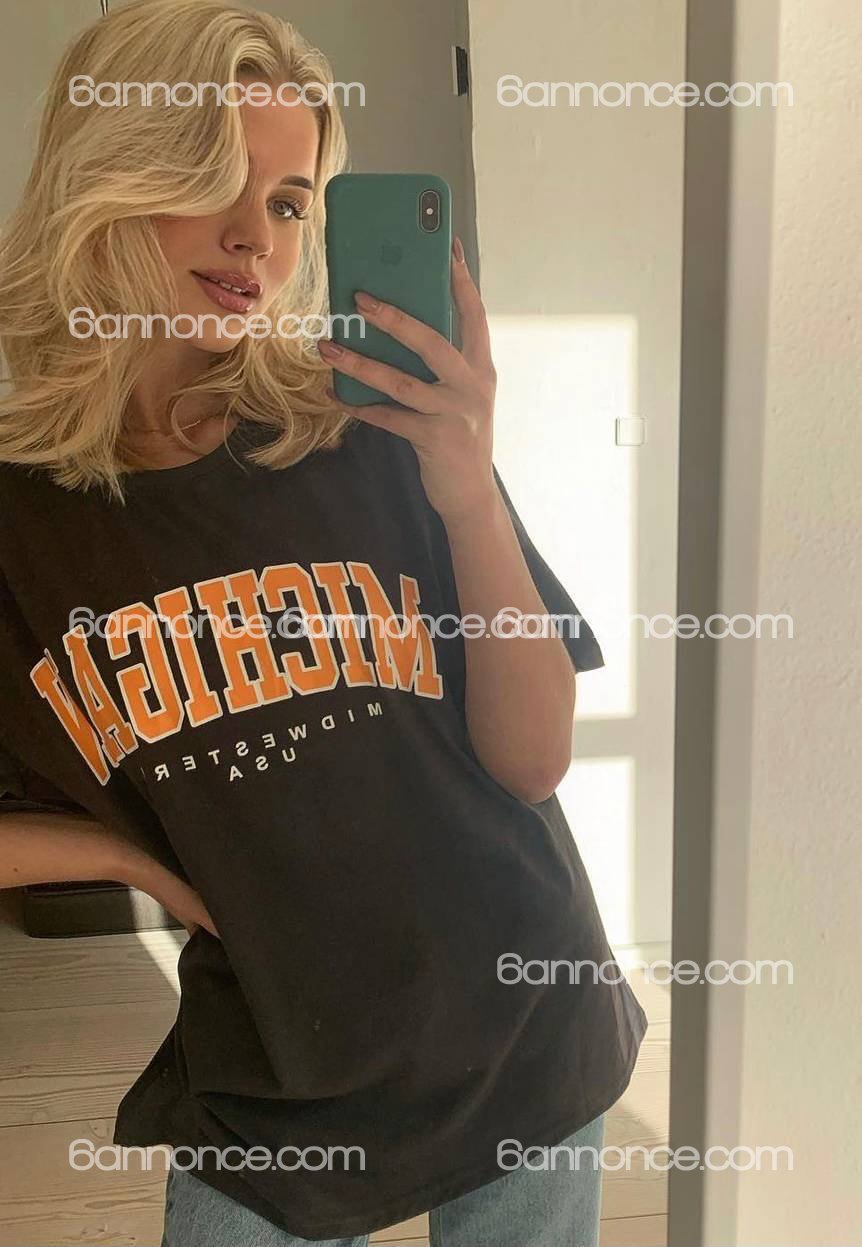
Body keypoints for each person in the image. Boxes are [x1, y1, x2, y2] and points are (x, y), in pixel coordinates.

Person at [0, 2, 647, 1244]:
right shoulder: (26, 517)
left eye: (292, 201)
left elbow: (532, 760)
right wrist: (128, 859)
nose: (257, 235)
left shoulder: (375, 429)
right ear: (110, 174)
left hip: (524, 1022)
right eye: (214, 180)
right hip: (277, 1066)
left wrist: (468, 491)